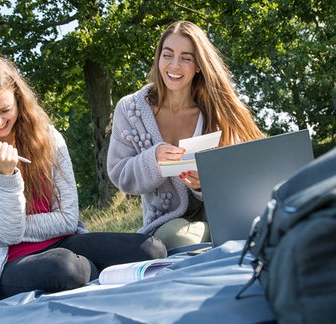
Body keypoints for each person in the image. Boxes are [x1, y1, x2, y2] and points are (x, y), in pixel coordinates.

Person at [0, 52, 166, 300]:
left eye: (5, 110)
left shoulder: (49, 138)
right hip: (11, 260)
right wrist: (5, 174)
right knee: (69, 269)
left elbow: (67, 219)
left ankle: (90, 270)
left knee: (152, 250)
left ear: (19, 99)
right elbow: (8, 236)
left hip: (65, 242)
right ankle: (90, 271)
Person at [107, 21, 264, 249]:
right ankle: (217, 238)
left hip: (220, 209)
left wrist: (207, 180)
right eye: (167, 55)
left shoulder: (217, 110)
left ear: (199, 65)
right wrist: (153, 161)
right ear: (159, 57)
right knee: (175, 239)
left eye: (186, 58)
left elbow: (241, 169)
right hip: (168, 222)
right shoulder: (131, 109)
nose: (174, 65)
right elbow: (119, 172)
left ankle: (219, 235)